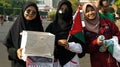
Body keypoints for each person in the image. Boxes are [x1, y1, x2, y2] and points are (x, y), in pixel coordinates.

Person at [45, 0, 86, 67]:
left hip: (71, 61)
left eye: (66, 9)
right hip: (54, 61)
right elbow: (44, 42)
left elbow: (82, 49)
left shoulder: (75, 27)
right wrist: (57, 42)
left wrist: (70, 45)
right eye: (61, 9)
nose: (64, 11)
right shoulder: (51, 27)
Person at [3, 2, 44, 67]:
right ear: (23, 11)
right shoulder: (16, 27)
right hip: (18, 64)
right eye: (28, 11)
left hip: (35, 64)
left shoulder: (39, 28)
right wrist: (16, 52)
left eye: (34, 12)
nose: (30, 13)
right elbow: (9, 46)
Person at [82, 3, 120, 67]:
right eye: (87, 11)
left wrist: (112, 41)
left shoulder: (107, 22)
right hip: (97, 63)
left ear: (96, 10)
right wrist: (96, 43)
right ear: (84, 14)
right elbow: (86, 48)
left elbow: (118, 35)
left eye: (92, 10)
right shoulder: (84, 30)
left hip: (111, 62)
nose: (90, 13)